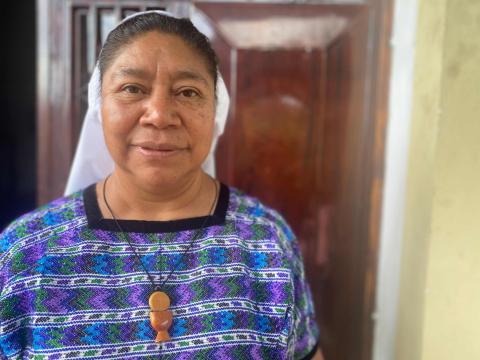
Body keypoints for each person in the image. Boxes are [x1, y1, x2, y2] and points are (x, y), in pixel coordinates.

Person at [0, 11, 324, 360]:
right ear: (99, 107)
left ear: (215, 110)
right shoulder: (25, 254)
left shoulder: (267, 243)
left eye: (187, 92)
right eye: (132, 88)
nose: (158, 114)